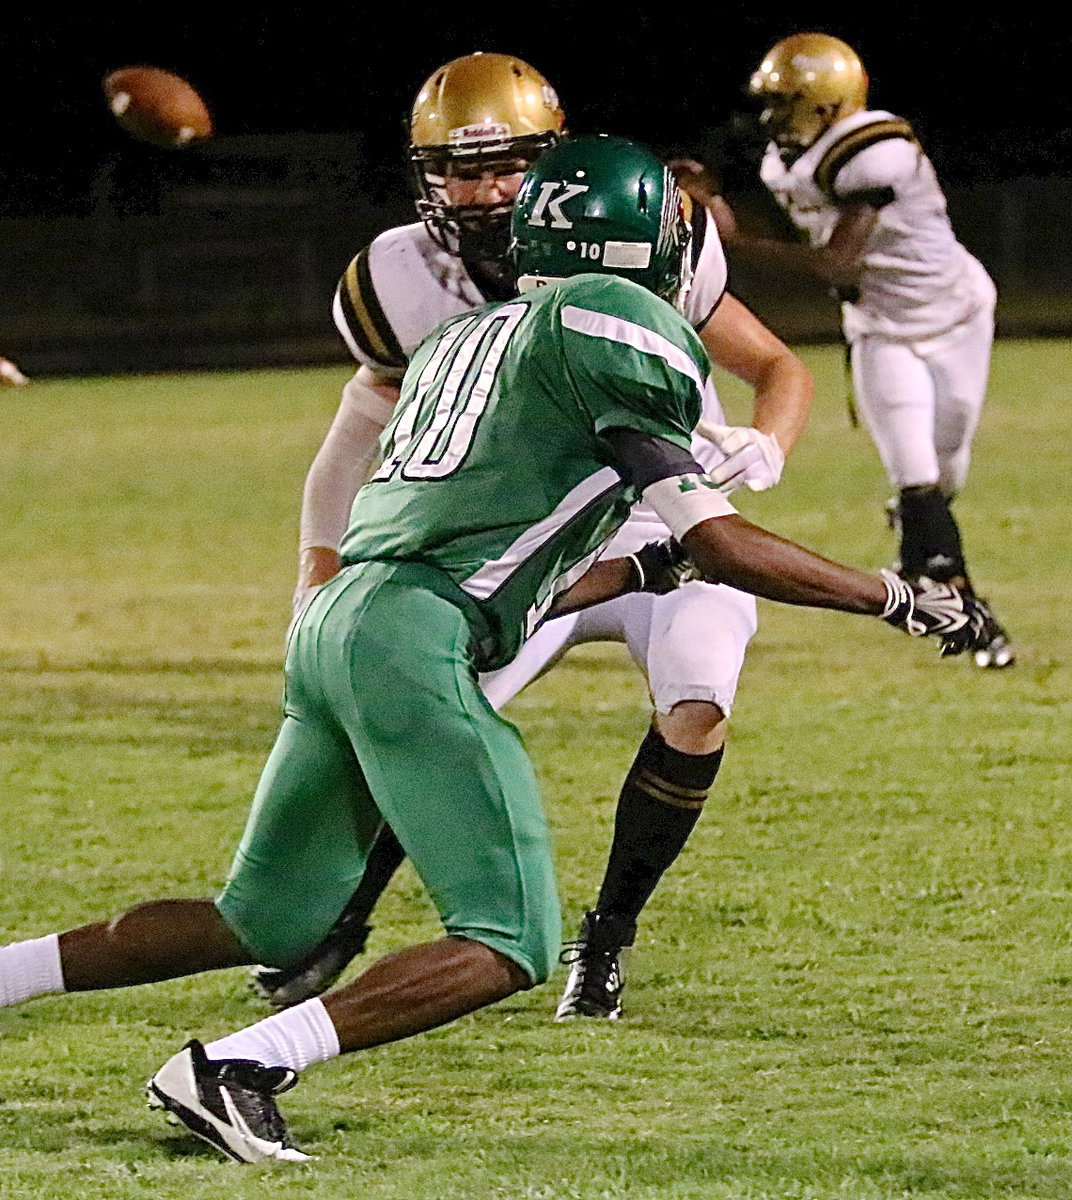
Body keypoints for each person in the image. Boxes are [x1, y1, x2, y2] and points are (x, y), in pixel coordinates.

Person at [0, 134, 991, 1164]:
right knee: (503, 940)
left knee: (263, 919)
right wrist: (892, 595)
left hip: (340, 620)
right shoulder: (612, 323)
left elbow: (509, 552)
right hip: (411, 637)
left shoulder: (459, 340)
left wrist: (640, 576)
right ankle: (237, 1067)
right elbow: (718, 538)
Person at [255, 49, 818, 1023]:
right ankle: (341, 920)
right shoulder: (398, 277)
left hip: (661, 517)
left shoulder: (649, 235)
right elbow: (348, 445)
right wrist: (319, 569)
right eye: (458, 170)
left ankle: (607, 934)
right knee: (437, 708)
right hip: (526, 543)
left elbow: (777, 367)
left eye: (504, 166)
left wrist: (762, 447)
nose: (482, 191)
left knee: (697, 702)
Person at [699, 31, 1014, 671]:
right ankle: (965, 609)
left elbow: (837, 258)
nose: (771, 119)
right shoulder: (780, 161)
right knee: (919, 475)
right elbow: (837, 264)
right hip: (879, 326)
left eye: (785, 103)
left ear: (828, 105)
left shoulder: (878, 151)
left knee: (947, 470)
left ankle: (919, 534)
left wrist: (728, 238)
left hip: (957, 314)